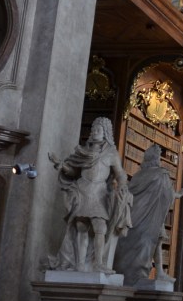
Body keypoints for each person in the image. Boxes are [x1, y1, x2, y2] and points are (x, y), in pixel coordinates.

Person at [47, 116, 133, 273]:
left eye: (98, 129)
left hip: (99, 193)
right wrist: (62, 166)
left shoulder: (111, 154)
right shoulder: (83, 152)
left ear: (106, 132)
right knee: (81, 227)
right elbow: (74, 172)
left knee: (100, 227)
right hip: (82, 191)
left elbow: (120, 174)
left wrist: (122, 187)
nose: (94, 132)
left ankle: (99, 263)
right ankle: (79, 264)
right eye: (93, 129)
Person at [114, 145, 182, 284]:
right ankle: (153, 273)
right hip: (152, 216)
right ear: (156, 159)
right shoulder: (161, 174)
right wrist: (178, 195)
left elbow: (129, 193)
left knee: (154, 242)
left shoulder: (138, 175)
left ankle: (159, 272)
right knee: (154, 242)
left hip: (136, 215)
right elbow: (168, 194)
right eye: (158, 157)